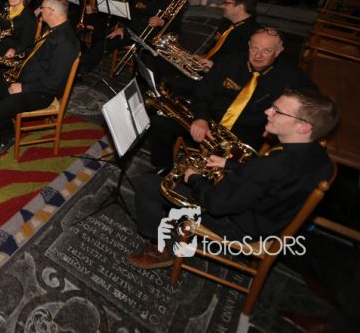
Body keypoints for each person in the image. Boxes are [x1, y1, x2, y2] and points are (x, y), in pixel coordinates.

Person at [128, 88, 337, 269]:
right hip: (270, 219)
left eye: (277, 111)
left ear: (303, 127)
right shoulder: (322, 159)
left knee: (148, 184)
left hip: (239, 227)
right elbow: (268, 178)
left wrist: (195, 179)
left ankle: (157, 249)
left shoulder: (270, 166)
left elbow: (216, 205)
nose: (268, 112)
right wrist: (229, 164)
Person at [146, 28, 316, 169]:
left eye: (266, 51)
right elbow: (203, 92)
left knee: (237, 170)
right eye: (254, 48)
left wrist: (283, 123)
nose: (258, 55)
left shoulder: (291, 75)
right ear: (249, 45)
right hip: (210, 120)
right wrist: (201, 118)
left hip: (245, 134)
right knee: (160, 123)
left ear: (278, 51)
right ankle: (162, 168)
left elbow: (318, 104)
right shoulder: (229, 61)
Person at [0, 0, 79, 156]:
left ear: (51, 11)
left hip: (40, 91)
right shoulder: (53, 29)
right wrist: (7, 57)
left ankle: (7, 135)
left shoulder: (66, 42)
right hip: (24, 76)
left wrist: (23, 87)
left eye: (42, 7)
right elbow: (34, 52)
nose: (40, 10)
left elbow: (54, 82)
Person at [79, 0, 180, 75]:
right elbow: (127, 15)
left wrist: (162, 22)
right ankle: (83, 71)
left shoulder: (172, 4)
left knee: (143, 60)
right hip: (130, 33)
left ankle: (137, 80)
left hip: (151, 40)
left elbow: (177, 27)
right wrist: (121, 28)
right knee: (103, 44)